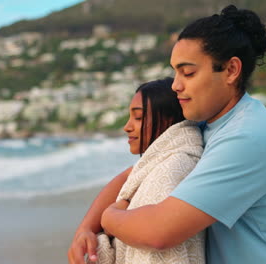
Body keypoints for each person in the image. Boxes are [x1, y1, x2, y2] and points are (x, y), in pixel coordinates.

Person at [69, 5, 266, 264]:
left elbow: (159, 231)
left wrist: (109, 217)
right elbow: (134, 173)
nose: (175, 85)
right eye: (175, 72)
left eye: (188, 72)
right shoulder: (204, 126)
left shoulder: (248, 136)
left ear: (230, 70)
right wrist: (85, 230)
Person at [86, 78, 205, 264]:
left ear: (167, 119)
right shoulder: (159, 164)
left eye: (138, 118)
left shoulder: (171, 170)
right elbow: (128, 174)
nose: (127, 127)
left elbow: (157, 239)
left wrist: (109, 218)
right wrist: (88, 228)